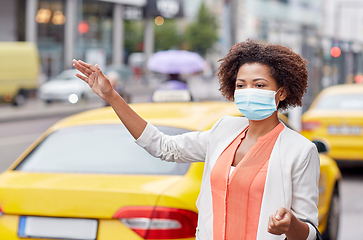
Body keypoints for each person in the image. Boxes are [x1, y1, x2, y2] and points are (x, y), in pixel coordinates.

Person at [73, 39, 319, 240]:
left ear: (282, 92)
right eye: (241, 85)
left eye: (259, 84)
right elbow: (163, 147)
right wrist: (112, 97)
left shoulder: (300, 150)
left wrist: (289, 225)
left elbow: (310, 232)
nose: (248, 92)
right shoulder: (224, 129)